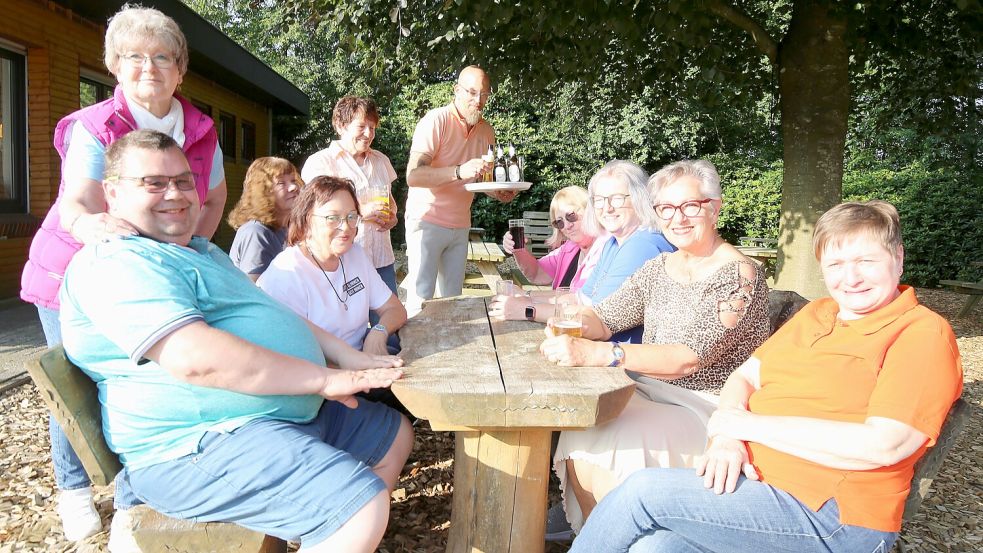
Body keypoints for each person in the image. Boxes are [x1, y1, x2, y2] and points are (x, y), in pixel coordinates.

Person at [59, 130, 414, 553]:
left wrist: (348, 357)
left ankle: (328, 527)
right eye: (154, 183)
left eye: (184, 181)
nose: (175, 193)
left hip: (272, 419)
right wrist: (321, 379)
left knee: (393, 432)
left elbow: (282, 318)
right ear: (111, 194)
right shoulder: (120, 261)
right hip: (197, 444)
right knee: (361, 505)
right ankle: (341, 520)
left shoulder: (201, 252)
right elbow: (193, 358)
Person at [568, 200, 963, 553]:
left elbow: (886, 444)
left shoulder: (921, 333)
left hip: (834, 515)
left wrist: (748, 426)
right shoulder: (819, 314)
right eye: (836, 265)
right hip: (755, 485)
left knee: (642, 491)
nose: (851, 278)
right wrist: (727, 437)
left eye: (866, 262)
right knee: (655, 546)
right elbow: (745, 376)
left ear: (898, 257)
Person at [18, 6, 226, 542]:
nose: (148, 68)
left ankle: (135, 497)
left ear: (180, 69)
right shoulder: (96, 127)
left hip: (159, 273)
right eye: (133, 57)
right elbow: (80, 206)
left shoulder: (200, 128)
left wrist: (186, 248)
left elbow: (214, 197)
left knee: (145, 381)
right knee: (79, 384)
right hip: (73, 277)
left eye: (161, 57)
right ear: (114, 66)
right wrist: (111, 234)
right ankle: (72, 488)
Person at [540, 160, 770, 537]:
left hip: (709, 406)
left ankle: (625, 538)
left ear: (714, 207)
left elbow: (687, 357)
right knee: (585, 425)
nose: (677, 218)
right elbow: (605, 318)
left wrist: (603, 354)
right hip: (649, 390)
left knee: (616, 436)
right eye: (666, 208)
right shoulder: (660, 266)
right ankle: (602, 539)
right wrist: (575, 322)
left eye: (690, 206)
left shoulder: (740, 274)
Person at [402, 65, 518, 315]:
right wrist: (457, 171)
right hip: (427, 221)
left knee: (452, 299)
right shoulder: (436, 120)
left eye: (484, 94)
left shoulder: (486, 130)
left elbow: (480, 179)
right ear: (456, 90)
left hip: (461, 224)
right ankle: (413, 353)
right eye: (472, 92)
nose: (478, 101)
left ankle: (448, 353)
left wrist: (498, 192)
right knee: (420, 299)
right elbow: (413, 176)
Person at [259, 175, 407, 358]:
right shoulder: (287, 273)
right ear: (307, 221)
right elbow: (288, 356)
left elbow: (395, 309)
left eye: (351, 217)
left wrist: (377, 334)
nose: (345, 227)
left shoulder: (356, 255)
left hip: (361, 359)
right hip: (320, 376)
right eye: (332, 218)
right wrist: (357, 367)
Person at [301, 96, 400, 297]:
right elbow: (318, 211)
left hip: (381, 259)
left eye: (372, 128)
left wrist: (393, 216)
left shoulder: (381, 161)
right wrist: (361, 212)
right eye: (362, 126)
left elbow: (390, 201)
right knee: (348, 324)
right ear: (341, 126)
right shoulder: (321, 162)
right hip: (341, 261)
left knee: (391, 322)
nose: (368, 133)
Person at [577, 160, 676, 342]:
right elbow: (582, 299)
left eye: (617, 198)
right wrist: (528, 302)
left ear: (639, 198)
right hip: (608, 352)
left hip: (631, 363)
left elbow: (597, 316)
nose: (607, 208)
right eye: (599, 200)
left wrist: (529, 310)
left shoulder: (644, 244)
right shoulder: (613, 243)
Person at [488, 185, 602, 322]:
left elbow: (578, 298)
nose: (566, 226)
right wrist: (518, 249)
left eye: (571, 216)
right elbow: (536, 273)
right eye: (559, 223)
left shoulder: (604, 249)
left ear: (589, 210)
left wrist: (526, 296)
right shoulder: (570, 249)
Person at [229, 157, 302, 281]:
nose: (293, 187)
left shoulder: (287, 228)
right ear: (262, 191)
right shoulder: (256, 232)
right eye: (281, 183)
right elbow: (254, 291)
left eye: (293, 180)